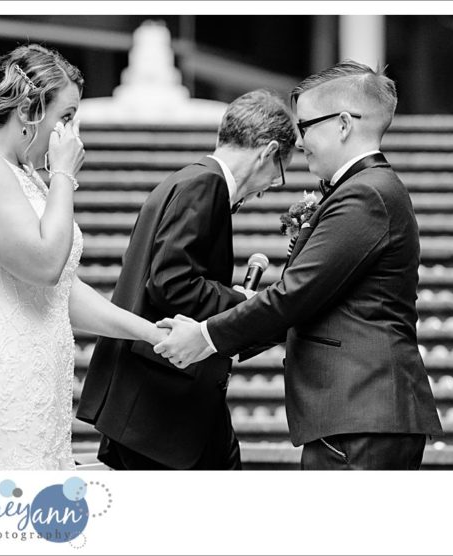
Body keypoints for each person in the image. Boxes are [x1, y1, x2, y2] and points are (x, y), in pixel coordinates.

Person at [154, 61, 443, 470]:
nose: (301, 142)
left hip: (362, 411)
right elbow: (309, 299)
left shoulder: (366, 195)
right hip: (356, 413)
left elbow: (297, 294)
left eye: (306, 126)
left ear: (343, 124)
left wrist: (205, 335)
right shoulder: (364, 190)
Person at [0, 44, 168, 471]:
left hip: (33, 375)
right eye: (66, 117)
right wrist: (65, 177)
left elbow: (62, 290)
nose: (72, 134)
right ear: (29, 111)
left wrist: (149, 333)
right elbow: (44, 265)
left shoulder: (24, 174)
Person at [77, 90, 296, 470]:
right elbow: (172, 282)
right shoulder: (205, 185)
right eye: (278, 175)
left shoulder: (186, 179)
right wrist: (246, 306)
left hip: (158, 395)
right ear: (267, 151)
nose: (267, 190)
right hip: (159, 400)